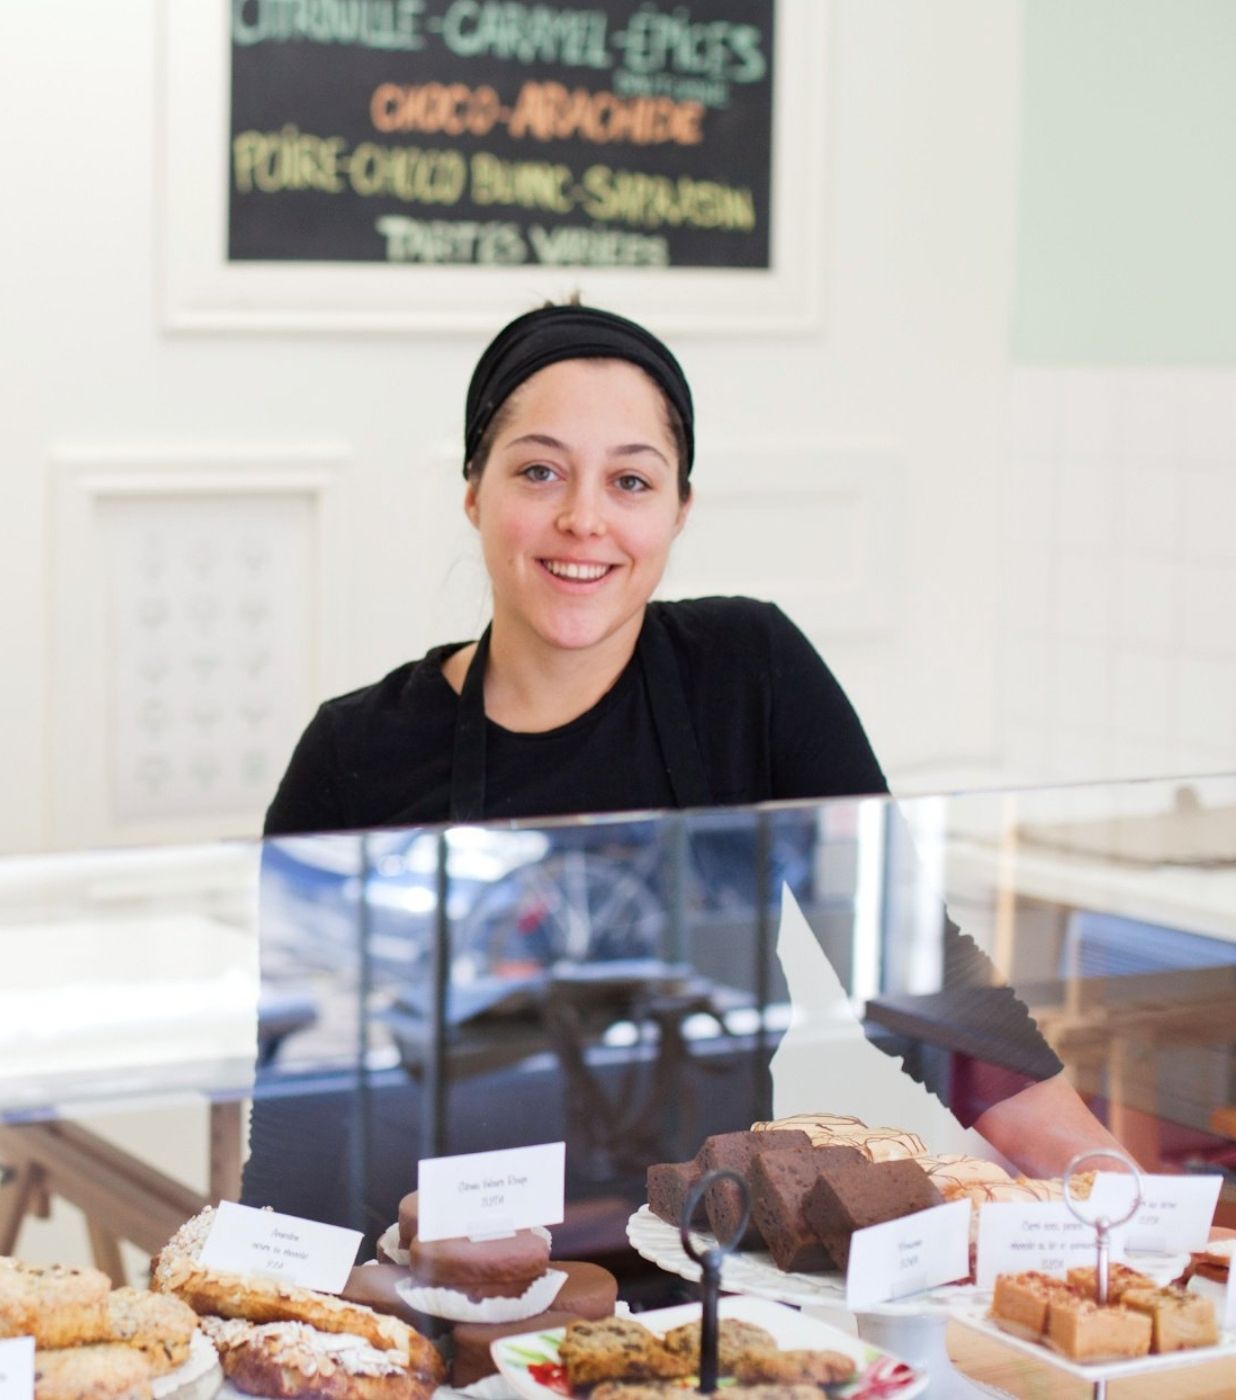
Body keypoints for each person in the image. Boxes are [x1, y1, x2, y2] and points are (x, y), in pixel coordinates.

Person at [263, 300, 1125, 1178]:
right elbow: (298, 1095)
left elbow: (916, 970)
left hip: (708, 1272)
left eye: (631, 481)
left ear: (679, 509)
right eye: (540, 473)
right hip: (441, 1282)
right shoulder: (354, 751)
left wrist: (1095, 1168)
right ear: (475, 491)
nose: (585, 520)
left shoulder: (749, 674)